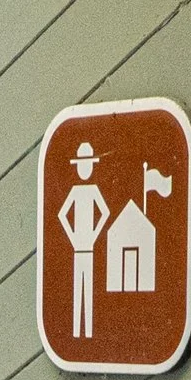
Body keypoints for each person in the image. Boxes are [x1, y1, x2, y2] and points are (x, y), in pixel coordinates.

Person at [56, 139, 110, 340]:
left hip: (89, 248)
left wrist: (94, 234)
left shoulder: (93, 190)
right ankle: (78, 332)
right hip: (79, 248)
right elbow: (62, 214)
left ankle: (87, 331)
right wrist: (73, 236)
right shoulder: (76, 191)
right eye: (82, 165)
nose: (84, 169)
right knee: (77, 289)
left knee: (89, 288)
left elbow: (104, 212)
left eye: (87, 165)